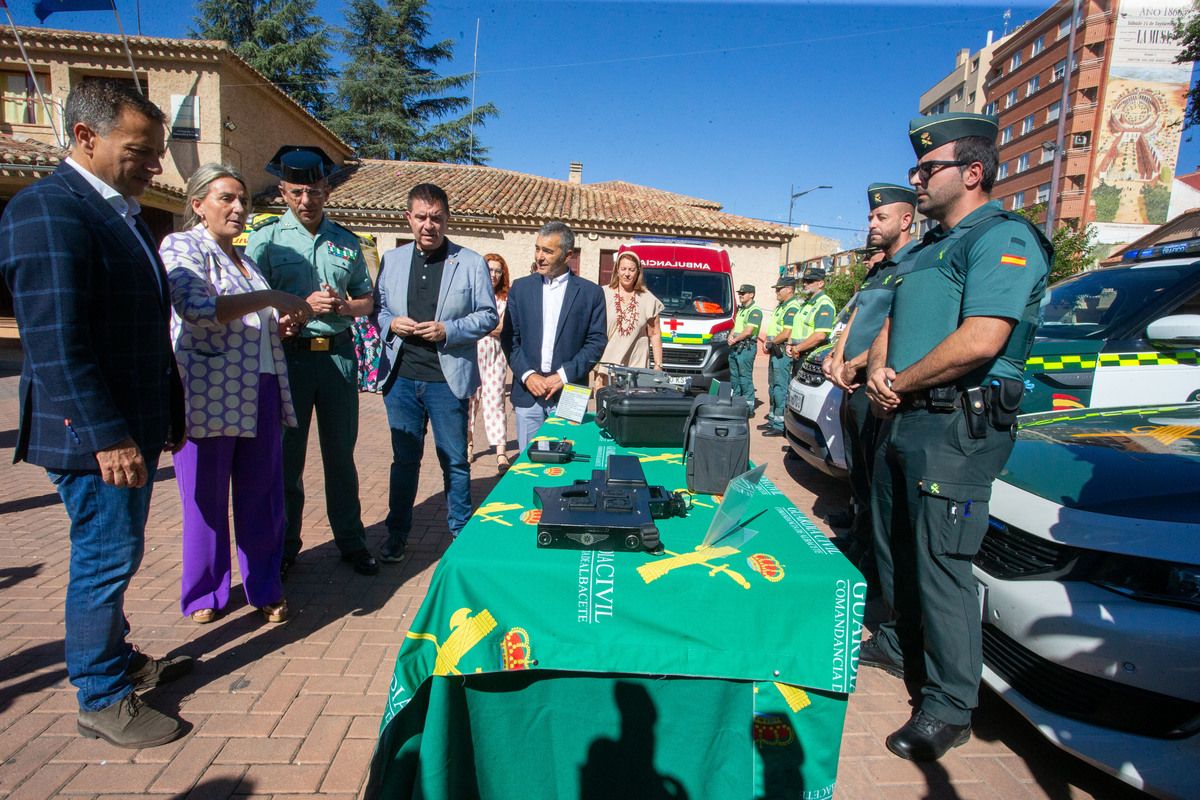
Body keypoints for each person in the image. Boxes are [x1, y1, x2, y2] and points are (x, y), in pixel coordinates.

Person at [0, 78, 192, 748]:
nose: (153, 165)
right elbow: (55, 344)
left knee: (119, 552)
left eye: (156, 151)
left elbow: (141, 328)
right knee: (105, 558)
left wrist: (167, 412)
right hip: (92, 435)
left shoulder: (121, 214)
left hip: (125, 426)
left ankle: (118, 662)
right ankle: (101, 695)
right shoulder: (49, 210)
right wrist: (108, 436)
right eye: (139, 150)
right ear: (85, 137)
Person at [861, 112, 1051, 761]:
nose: (916, 177)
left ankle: (948, 706)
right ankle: (901, 649)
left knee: (942, 563)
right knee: (899, 552)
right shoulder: (926, 249)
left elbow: (982, 339)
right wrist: (885, 370)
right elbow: (897, 313)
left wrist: (903, 380)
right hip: (908, 413)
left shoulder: (1003, 239)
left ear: (972, 172)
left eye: (927, 167)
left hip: (957, 423)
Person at [161, 164, 313, 626]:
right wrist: (271, 299)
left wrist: (279, 324)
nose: (239, 208)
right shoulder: (183, 246)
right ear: (198, 205)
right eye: (226, 198)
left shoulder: (245, 261)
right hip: (207, 393)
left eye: (243, 200)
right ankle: (205, 590)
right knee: (204, 497)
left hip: (261, 389)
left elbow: (250, 319)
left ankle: (264, 586)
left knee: (263, 494)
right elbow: (195, 308)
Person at [245, 148, 377, 578]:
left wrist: (344, 304)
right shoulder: (266, 240)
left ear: (326, 191)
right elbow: (254, 305)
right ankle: (285, 547)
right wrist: (300, 308)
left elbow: (367, 301)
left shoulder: (346, 241)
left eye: (315, 191)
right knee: (287, 460)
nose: (307, 200)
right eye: (298, 192)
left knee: (341, 456)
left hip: (337, 357)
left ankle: (352, 542)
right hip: (289, 359)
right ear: (283, 191)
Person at [372, 183, 498, 564]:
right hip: (402, 379)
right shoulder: (391, 261)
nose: (429, 225)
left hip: (447, 379)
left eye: (437, 218)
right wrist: (390, 323)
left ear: (447, 219)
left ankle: (460, 533)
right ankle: (396, 534)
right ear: (408, 218)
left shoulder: (470, 262)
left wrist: (449, 330)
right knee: (404, 461)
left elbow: (488, 315)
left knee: (455, 462)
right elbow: (376, 311)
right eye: (421, 217)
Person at [822, 183, 917, 592]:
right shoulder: (879, 271)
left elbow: (889, 331)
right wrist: (836, 359)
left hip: (873, 386)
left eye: (880, 217)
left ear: (906, 220)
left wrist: (857, 366)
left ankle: (876, 566)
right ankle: (859, 542)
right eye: (871, 217)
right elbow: (856, 318)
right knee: (857, 473)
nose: (871, 224)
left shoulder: (916, 265)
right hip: (851, 388)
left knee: (877, 481)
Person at [501, 221, 607, 452]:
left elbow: (596, 342)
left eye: (547, 251)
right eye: (537, 248)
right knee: (529, 465)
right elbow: (510, 338)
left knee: (566, 465)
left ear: (567, 255)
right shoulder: (520, 288)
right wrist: (528, 375)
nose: (540, 256)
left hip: (569, 393)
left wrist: (563, 375)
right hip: (529, 393)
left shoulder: (591, 293)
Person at [468, 253, 512, 471]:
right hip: (471, 356)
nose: (493, 274)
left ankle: (501, 452)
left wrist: (478, 326)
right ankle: (468, 445)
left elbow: (503, 328)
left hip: (496, 357)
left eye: (497, 270)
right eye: (489, 269)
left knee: (495, 401)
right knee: (470, 402)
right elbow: (465, 324)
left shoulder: (505, 299)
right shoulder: (472, 296)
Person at [594, 251, 664, 386]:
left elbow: (655, 333)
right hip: (607, 368)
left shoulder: (648, 299)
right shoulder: (603, 294)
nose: (627, 274)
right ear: (617, 270)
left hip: (636, 371)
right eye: (623, 269)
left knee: (631, 406)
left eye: (631, 270)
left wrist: (658, 365)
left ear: (638, 272)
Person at [760, 277, 803, 437]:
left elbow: (786, 332)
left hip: (782, 352)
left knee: (780, 388)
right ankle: (772, 420)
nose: (776, 292)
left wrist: (771, 342)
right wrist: (768, 342)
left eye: (779, 289)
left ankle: (780, 425)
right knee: (773, 387)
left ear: (790, 289)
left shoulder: (792, 307)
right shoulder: (781, 307)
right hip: (775, 351)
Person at [787, 266, 836, 367]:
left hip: (811, 355)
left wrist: (797, 348)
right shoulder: (807, 304)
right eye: (804, 281)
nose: (805, 284)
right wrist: (790, 344)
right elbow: (796, 327)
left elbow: (820, 335)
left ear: (821, 283)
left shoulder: (824, 304)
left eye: (810, 281)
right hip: (800, 353)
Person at [727, 284, 762, 408]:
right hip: (736, 347)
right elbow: (735, 327)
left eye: (744, 293)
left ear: (751, 295)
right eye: (739, 293)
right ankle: (736, 405)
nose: (740, 295)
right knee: (734, 377)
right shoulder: (742, 310)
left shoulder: (755, 311)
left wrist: (734, 339)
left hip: (745, 348)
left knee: (744, 378)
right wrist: (730, 337)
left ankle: (748, 408)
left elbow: (748, 331)